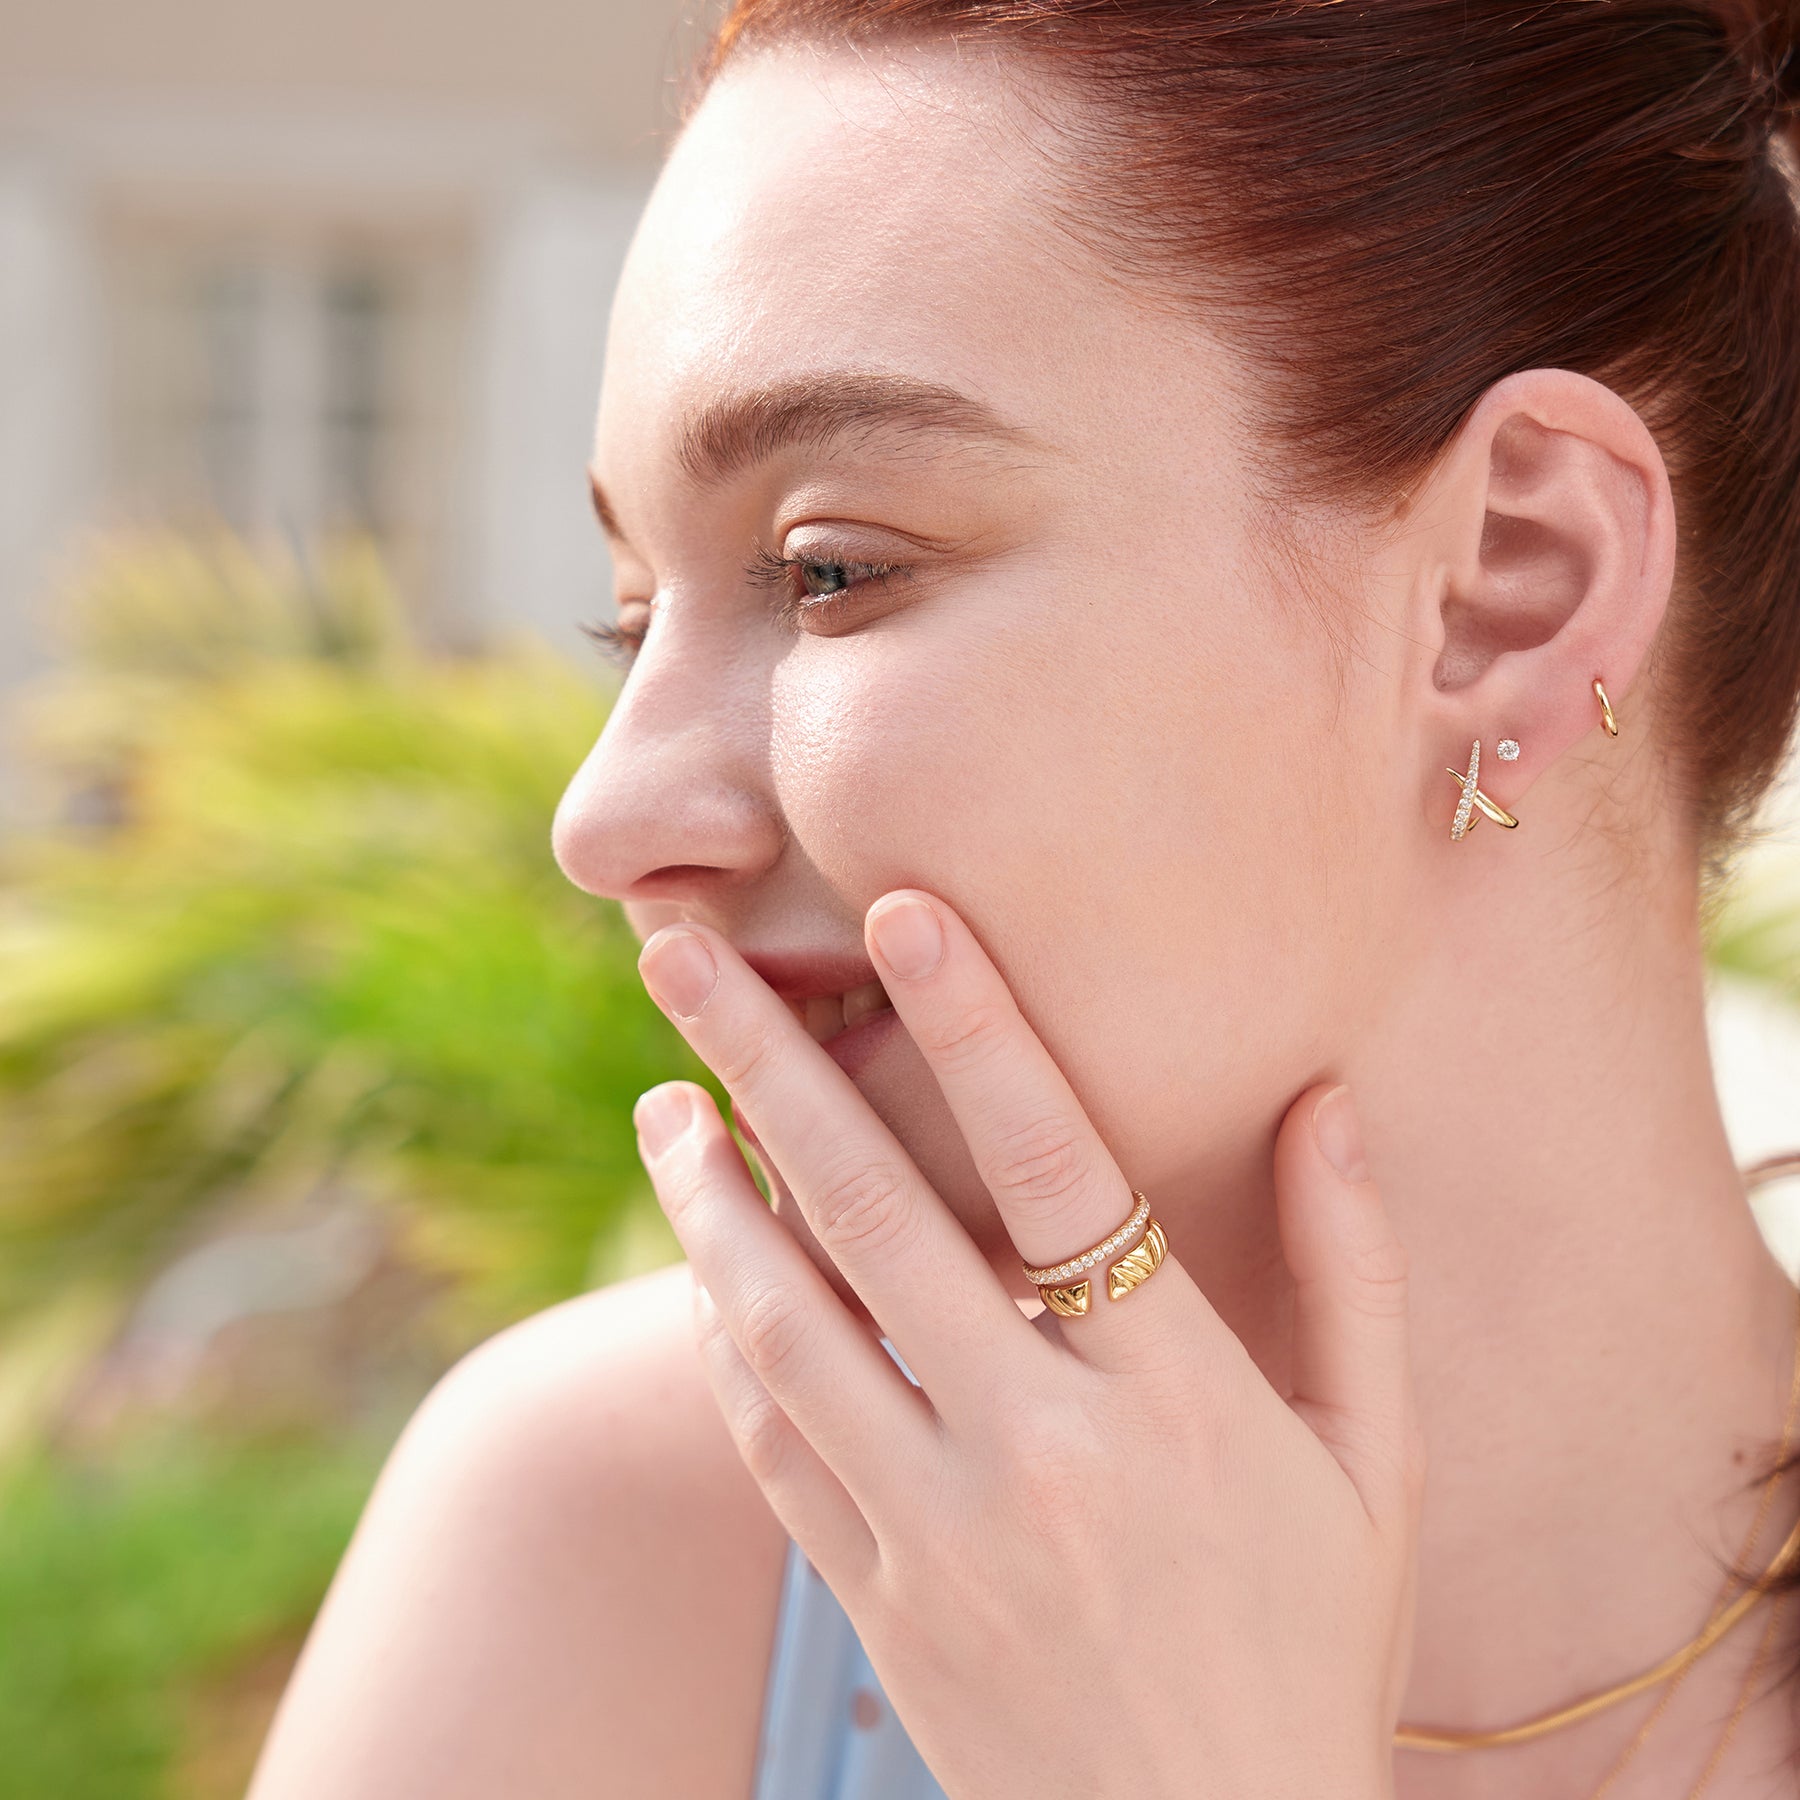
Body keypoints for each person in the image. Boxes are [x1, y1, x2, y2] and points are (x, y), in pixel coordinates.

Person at [247, 2, 1800, 1795]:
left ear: (1513, 579)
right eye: (632, 617)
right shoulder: (609, 1553)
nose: (607, 817)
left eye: (829, 571)